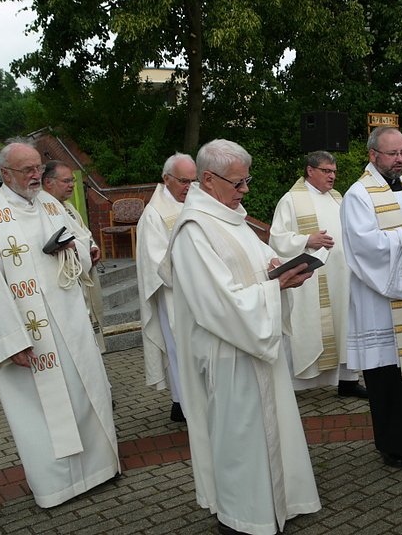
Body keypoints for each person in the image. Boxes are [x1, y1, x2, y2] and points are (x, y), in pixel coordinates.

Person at [159, 139, 321, 535]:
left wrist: (278, 271)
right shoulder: (194, 229)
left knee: (269, 431)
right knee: (239, 440)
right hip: (227, 354)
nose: (245, 190)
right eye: (239, 182)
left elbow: (250, 273)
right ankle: (241, 516)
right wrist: (274, 288)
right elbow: (216, 303)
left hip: (254, 346)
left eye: (247, 180)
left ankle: (277, 500)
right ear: (209, 180)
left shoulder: (231, 217)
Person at [0, 141, 119, 508]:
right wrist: (12, 340)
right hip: (32, 333)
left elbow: (80, 243)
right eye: (27, 170)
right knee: (47, 412)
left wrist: (79, 250)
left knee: (84, 392)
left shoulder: (51, 205)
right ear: (5, 174)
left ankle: (99, 468)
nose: (36, 175)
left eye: (38, 167)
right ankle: (57, 486)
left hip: (70, 321)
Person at [340, 126, 402, 467]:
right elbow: (364, 246)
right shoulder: (358, 195)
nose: (399, 160)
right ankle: (396, 447)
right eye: (392, 154)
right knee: (389, 380)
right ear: (372, 155)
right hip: (381, 302)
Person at [269, 150, 367, 397]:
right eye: (326, 171)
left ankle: (347, 381)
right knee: (308, 326)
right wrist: (307, 239)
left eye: (334, 171)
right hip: (311, 281)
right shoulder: (291, 200)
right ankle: (295, 385)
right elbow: (277, 239)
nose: (332, 176)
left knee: (345, 326)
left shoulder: (337, 197)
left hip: (341, 277)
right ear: (310, 171)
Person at [136, 152, 196, 422]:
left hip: (198, 292)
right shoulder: (154, 214)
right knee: (178, 348)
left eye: (193, 181)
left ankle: (193, 400)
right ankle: (183, 403)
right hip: (173, 294)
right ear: (166, 179)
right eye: (184, 181)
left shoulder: (194, 203)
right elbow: (156, 261)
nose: (189, 187)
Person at [42, 160, 105, 351]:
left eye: (72, 181)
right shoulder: (44, 209)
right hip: (68, 278)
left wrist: (93, 246)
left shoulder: (67, 206)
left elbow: (83, 232)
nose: (71, 185)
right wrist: (80, 247)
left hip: (83, 269)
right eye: (66, 181)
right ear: (48, 182)